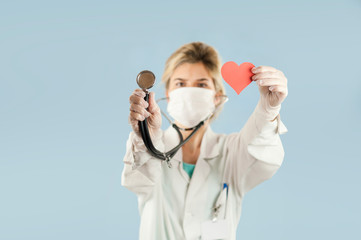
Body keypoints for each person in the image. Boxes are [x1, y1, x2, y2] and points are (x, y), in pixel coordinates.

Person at [121, 41, 288, 240]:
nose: (190, 92)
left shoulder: (232, 151)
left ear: (216, 97)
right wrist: (147, 135)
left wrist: (267, 110)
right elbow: (137, 180)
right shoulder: (152, 146)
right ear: (168, 95)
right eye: (180, 84)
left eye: (201, 84)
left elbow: (263, 156)